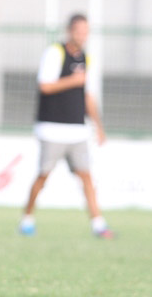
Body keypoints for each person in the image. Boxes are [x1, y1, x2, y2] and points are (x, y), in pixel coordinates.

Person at [18, 14, 114, 239]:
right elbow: (45, 86)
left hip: (77, 130)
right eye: (79, 31)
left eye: (86, 31)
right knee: (43, 176)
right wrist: (73, 80)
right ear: (70, 31)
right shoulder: (55, 53)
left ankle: (98, 224)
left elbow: (87, 95)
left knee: (87, 177)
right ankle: (27, 218)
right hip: (52, 128)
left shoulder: (86, 59)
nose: (83, 35)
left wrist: (98, 126)